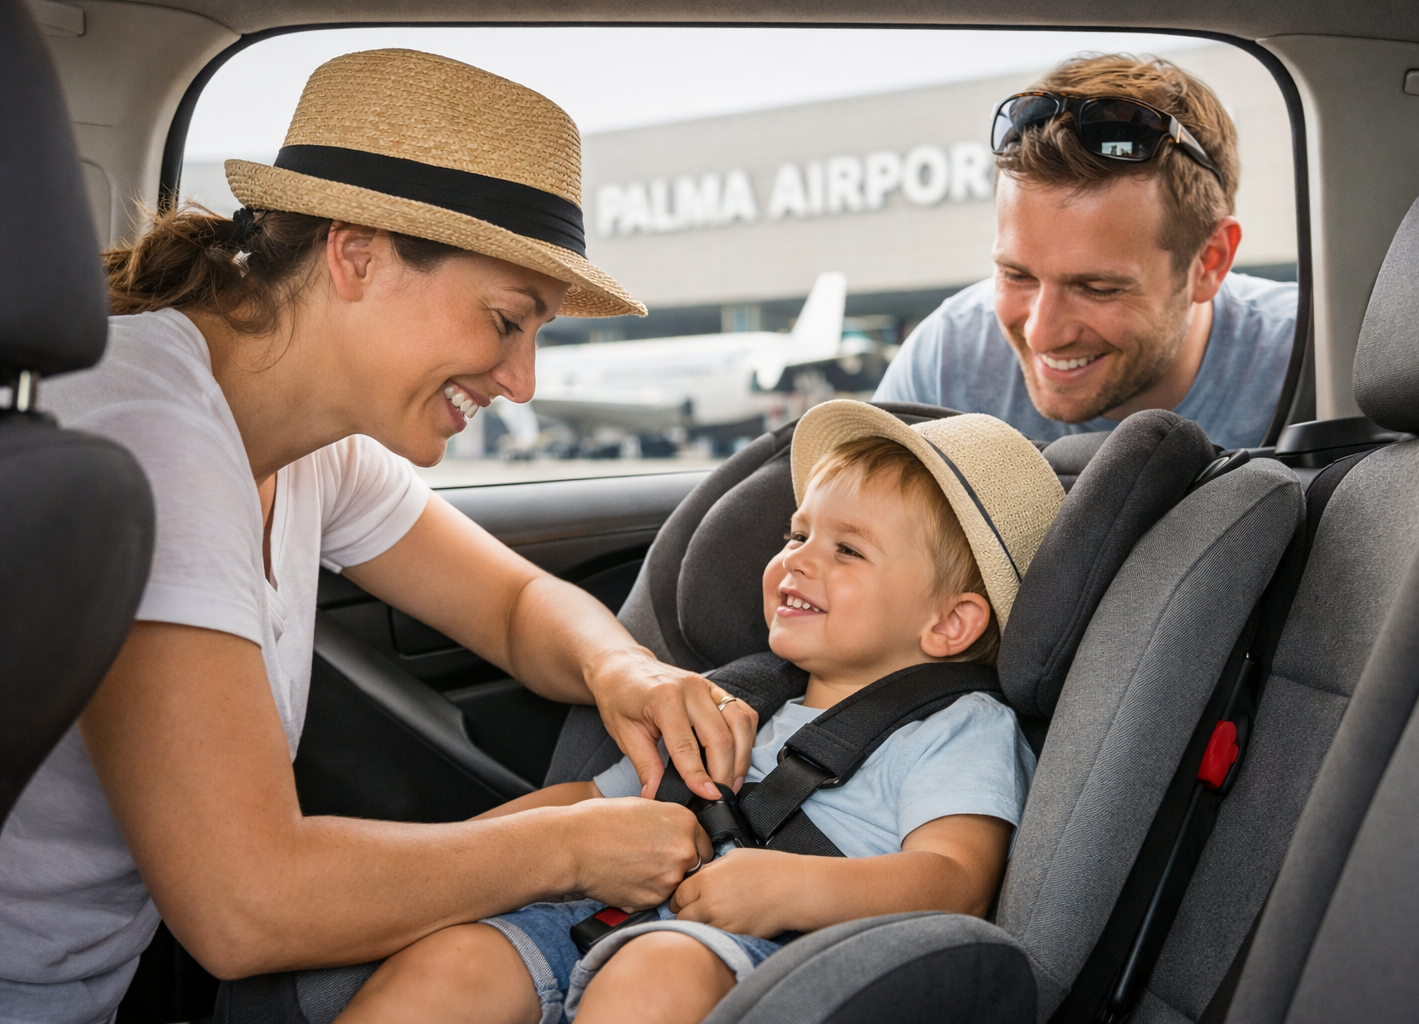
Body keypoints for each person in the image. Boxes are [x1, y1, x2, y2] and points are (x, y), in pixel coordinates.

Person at [0, 50, 758, 1024]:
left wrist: (628, 673)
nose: (522, 380)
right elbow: (245, 904)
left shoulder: (310, 445)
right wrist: (570, 845)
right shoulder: (153, 432)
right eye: (505, 320)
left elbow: (516, 603)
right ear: (355, 254)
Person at [333, 399, 1064, 1024]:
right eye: (797, 533)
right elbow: (594, 804)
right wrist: (451, 861)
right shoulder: (738, 699)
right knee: (452, 962)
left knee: (656, 974)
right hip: (592, 916)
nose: (797, 560)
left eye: (847, 550)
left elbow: (954, 879)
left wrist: (790, 889)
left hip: (764, 947)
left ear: (950, 625)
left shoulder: (959, 727)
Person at [874, 54, 1298, 451]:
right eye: (1015, 276)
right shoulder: (945, 365)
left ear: (1210, 261)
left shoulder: (1320, 358)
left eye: (1097, 287)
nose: (1042, 334)